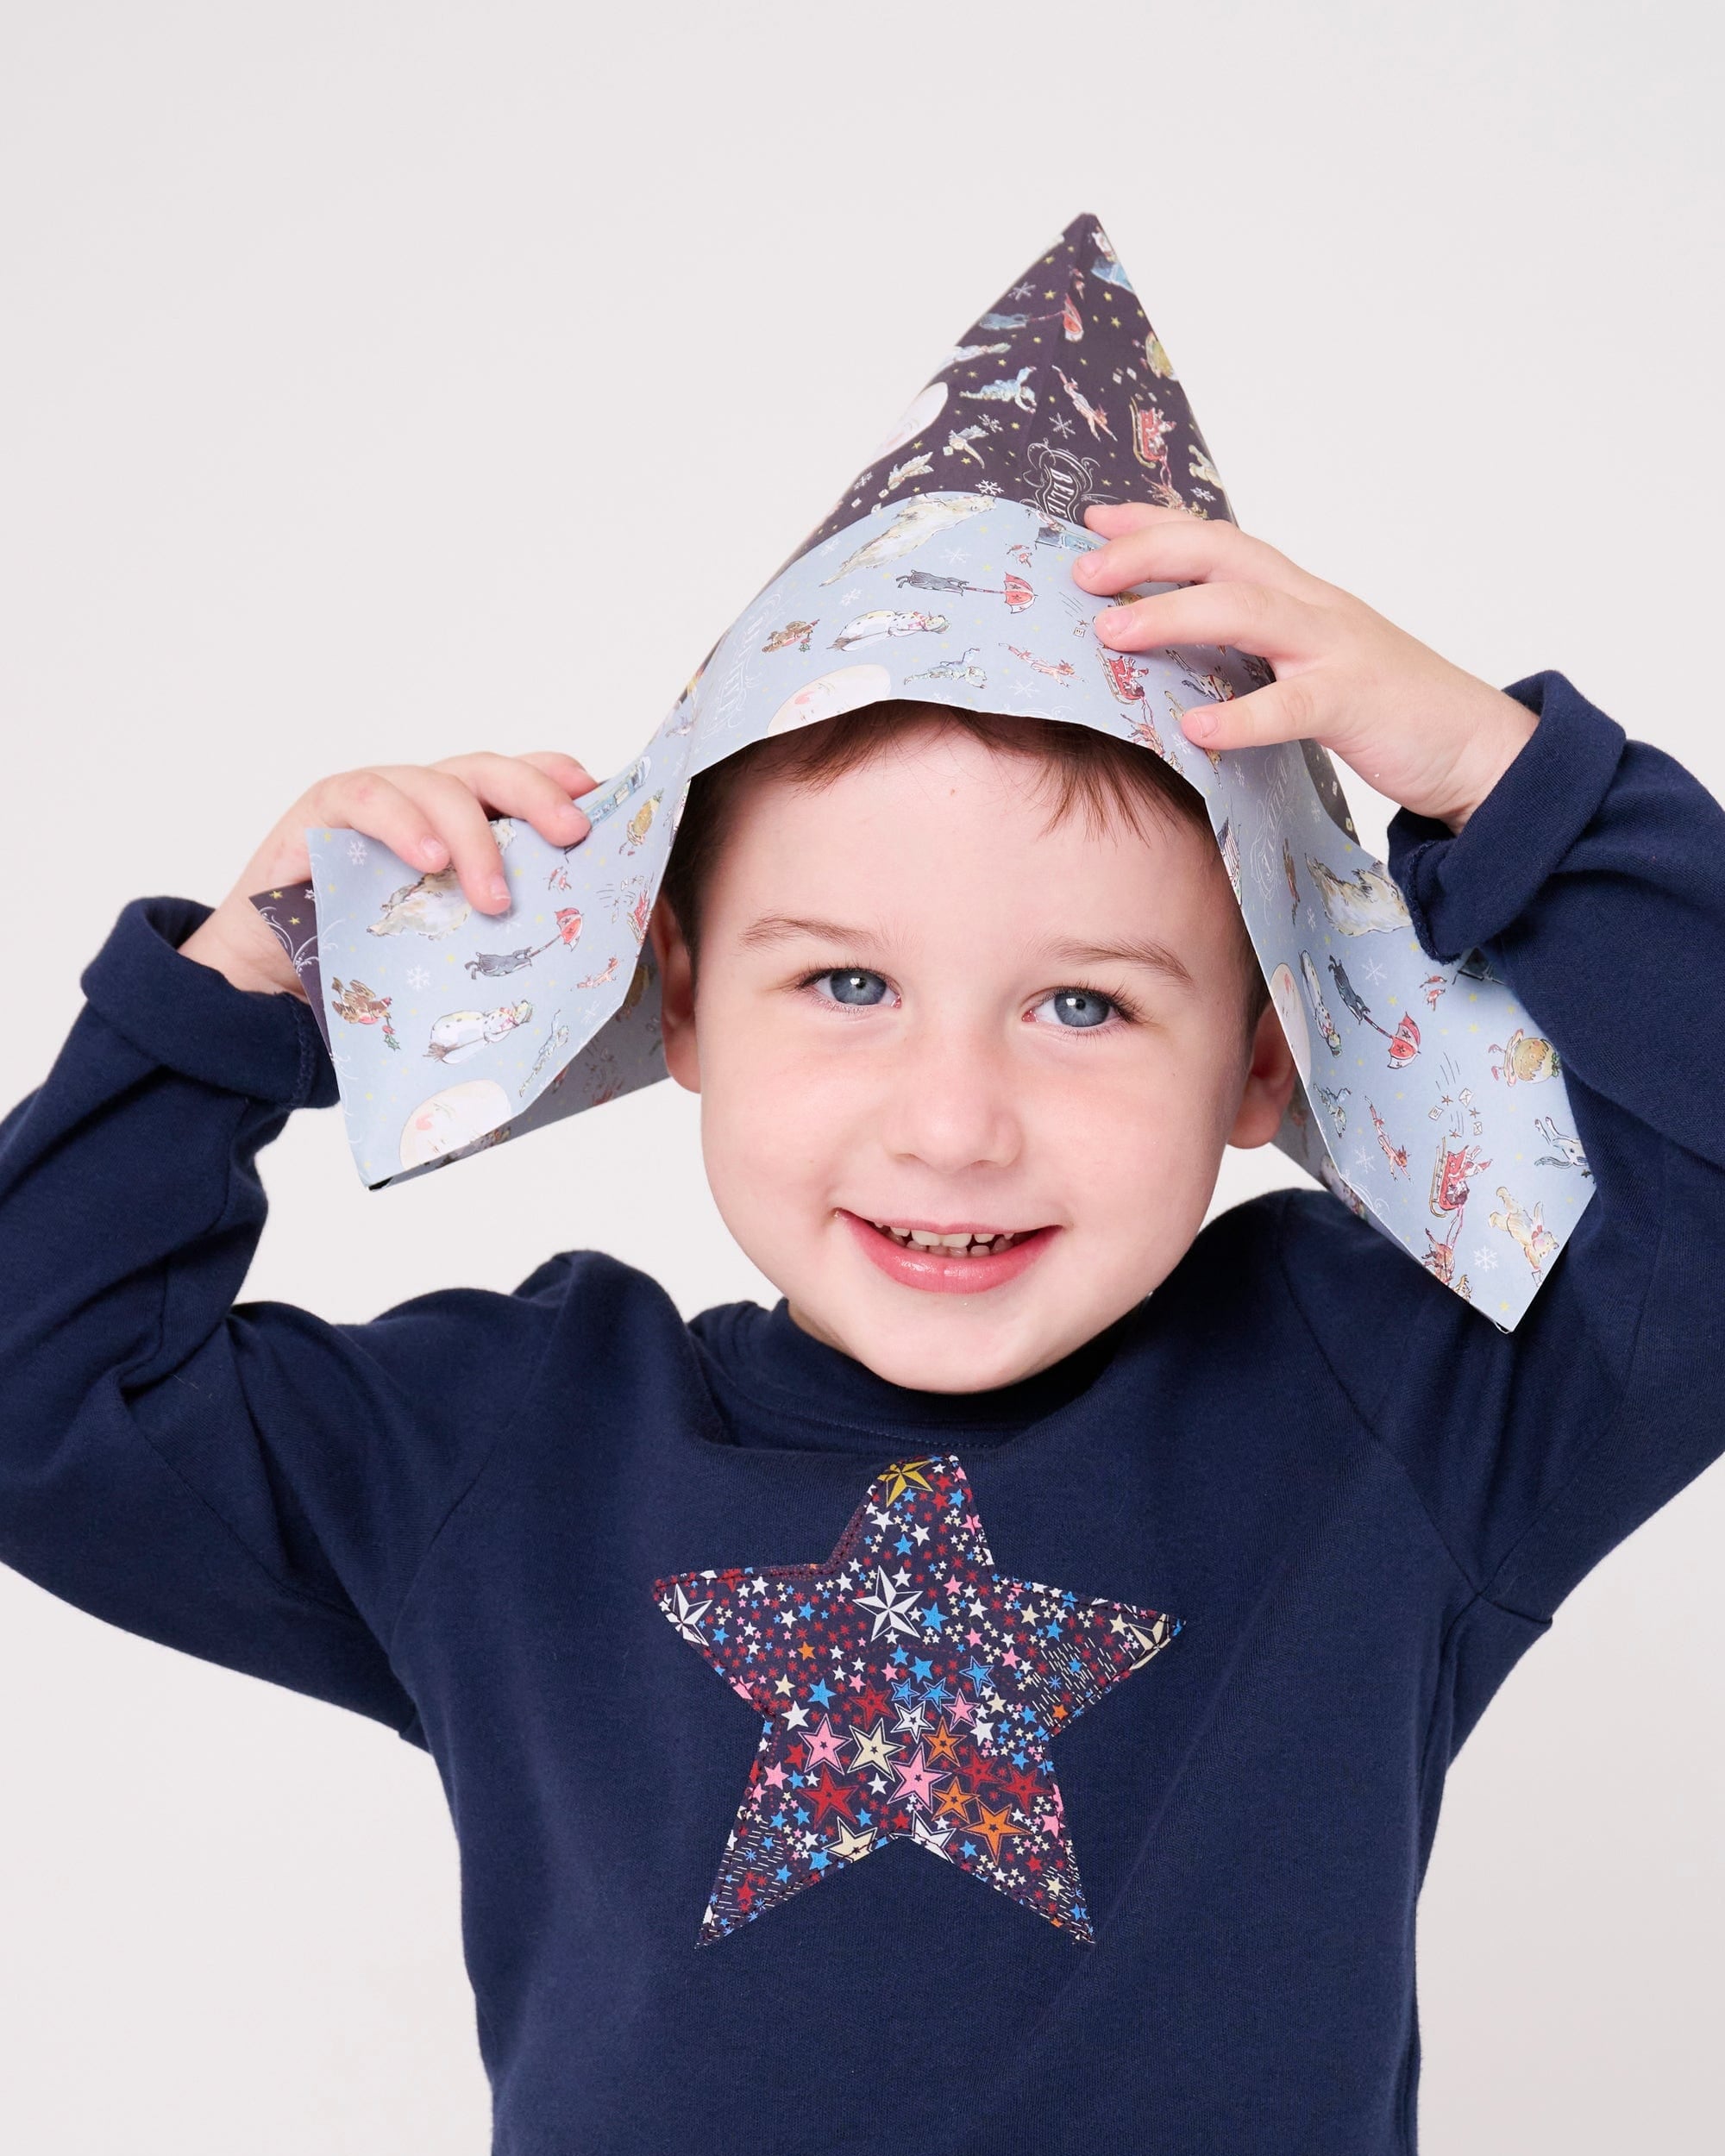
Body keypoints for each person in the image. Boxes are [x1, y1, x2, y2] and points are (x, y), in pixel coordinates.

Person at [3, 495, 1722, 2153]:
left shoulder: (1380, 1409)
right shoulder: (516, 1449)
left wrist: (1517, 785)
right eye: (847, 984)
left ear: (1262, 1057)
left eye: (1083, 1003)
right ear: (681, 997)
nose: (953, 1125)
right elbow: (37, 1390)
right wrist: (241, 991)